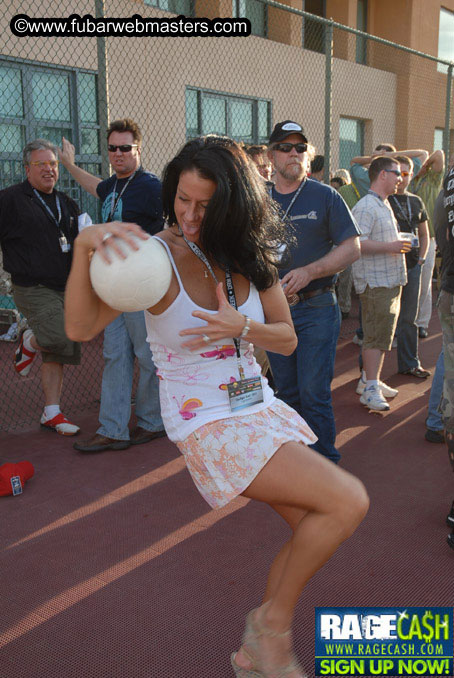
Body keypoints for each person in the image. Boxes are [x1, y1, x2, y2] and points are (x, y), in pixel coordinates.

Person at [64, 135, 369, 678]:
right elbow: (80, 328)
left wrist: (242, 326)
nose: (191, 215)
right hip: (205, 419)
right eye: (183, 199)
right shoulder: (153, 261)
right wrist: (88, 247)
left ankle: (260, 648)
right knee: (347, 502)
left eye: (206, 205)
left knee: (316, 527)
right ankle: (270, 632)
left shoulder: (248, 253)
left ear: (235, 204)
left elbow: (286, 339)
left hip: (257, 406)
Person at [59, 118, 165, 452]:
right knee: (115, 355)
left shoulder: (150, 186)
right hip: (112, 288)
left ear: (138, 148)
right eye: (112, 148)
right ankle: (113, 429)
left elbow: (172, 223)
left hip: (139, 287)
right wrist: (69, 165)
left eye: (125, 148)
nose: (118, 154)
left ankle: (152, 421)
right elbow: (96, 186)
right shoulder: (114, 185)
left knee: (146, 356)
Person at [266, 120, 361, 463]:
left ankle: (324, 465)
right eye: (285, 147)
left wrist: (310, 271)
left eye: (300, 148)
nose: (294, 153)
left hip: (316, 306)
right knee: (285, 392)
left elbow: (352, 247)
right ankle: (296, 463)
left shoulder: (325, 195)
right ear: (271, 154)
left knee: (313, 392)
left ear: (308, 156)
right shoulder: (258, 198)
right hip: (273, 311)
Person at [0, 139, 81, 435]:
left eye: (53, 164)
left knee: (59, 349)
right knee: (58, 336)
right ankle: (30, 341)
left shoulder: (67, 203)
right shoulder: (9, 200)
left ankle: (52, 412)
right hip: (32, 286)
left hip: (65, 287)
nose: (48, 169)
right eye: (41, 164)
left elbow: (81, 242)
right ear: (27, 168)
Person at [352, 156, 411, 411]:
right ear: (382, 175)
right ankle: (371, 388)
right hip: (375, 282)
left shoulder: (383, 204)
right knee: (375, 336)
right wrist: (391, 246)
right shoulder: (366, 206)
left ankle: (370, 380)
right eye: (397, 173)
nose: (401, 178)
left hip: (388, 280)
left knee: (383, 334)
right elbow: (356, 244)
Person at [388, 155, 430, 378]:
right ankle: (369, 374)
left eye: (405, 174)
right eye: (398, 173)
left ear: (411, 175)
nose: (401, 178)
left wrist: (422, 259)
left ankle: (409, 363)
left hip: (413, 266)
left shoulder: (416, 201)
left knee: (408, 318)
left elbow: (424, 233)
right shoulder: (383, 199)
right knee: (383, 319)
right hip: (389, 267)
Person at [411, 150, 445, 338]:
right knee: (409, 283)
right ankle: (407, 322)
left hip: (428, 238)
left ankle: (421, 323)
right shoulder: (407, 181)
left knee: (424, 282)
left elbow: (438, 154)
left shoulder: (432, 179)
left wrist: (424, 167)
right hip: (408, 238)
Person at [350, 144, 428, 199]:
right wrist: (391, 155)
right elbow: (423, 154)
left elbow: (353, 162)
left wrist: (374, 159)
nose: (400, 178)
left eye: (403, 174)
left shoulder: (366, 177)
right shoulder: (403, 171)